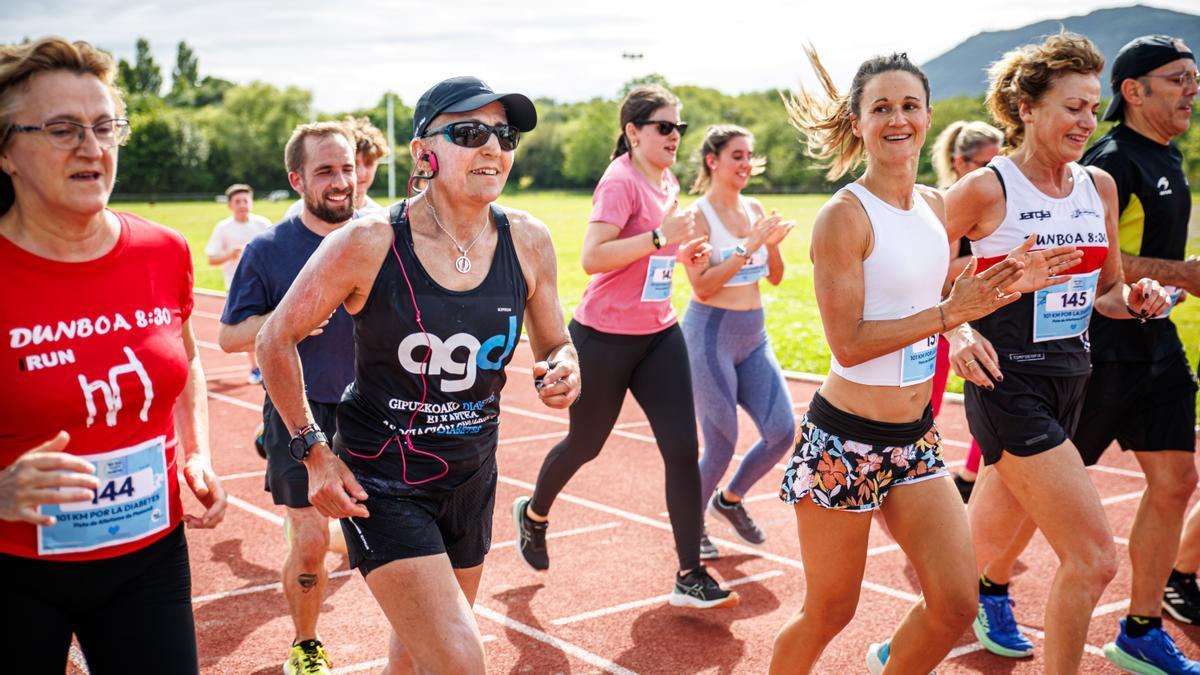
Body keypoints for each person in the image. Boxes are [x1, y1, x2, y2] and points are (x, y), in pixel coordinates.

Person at [257, 75, 580, 674]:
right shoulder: (370, 240)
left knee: (414, 657)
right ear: (423, 152)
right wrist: (313, 452)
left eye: (505, 136)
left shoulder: (529, 240)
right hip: (382, 480)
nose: (493, 149)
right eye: (469, 133)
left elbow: (556, 341)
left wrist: (565, 367)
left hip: (472, 475)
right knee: (460, 660)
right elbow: (273, 336)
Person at [768, 47, 1059, 675]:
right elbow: (849, 343)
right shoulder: (842, 217)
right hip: (844, 442)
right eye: (881, 108)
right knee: (830, 611)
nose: (896, 118)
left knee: (955, 605)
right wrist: (951, 318)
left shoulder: (933, 206)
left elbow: (932, 293)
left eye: (908, 106)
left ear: (928, 116)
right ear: (858, 123)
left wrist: (1008, 279)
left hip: (914, 440)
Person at [945, 32, 1171, 674]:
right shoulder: (988, 190)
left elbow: (1107, 293)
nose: (1086, 119)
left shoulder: (1097, 186)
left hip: (1072, 380)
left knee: (966, 566)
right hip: (1006, 383)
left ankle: (893, 654)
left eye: (1092, 106)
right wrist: (958, 328)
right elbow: (917, 269)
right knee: (1095, 557)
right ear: (1026, 108)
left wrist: (1141, 296)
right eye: (1072, 106)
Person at [0, 37, 226, 674]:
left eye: (104, 127)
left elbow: (185, 362)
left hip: (149, 556)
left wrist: (199, 451)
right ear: (7, 152)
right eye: (62, 129)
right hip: (13, 568)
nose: (92, 147)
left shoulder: (163, 250)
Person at [511, 84, 738, 609]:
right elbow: (593, 257)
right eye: (664, 126)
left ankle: (689, 573)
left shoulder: (668, 180)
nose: (674, 135)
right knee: (585, 445)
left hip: (659, 332)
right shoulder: (619, 181)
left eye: (679, 127)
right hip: (604, 335)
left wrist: (684, 250)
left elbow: (658, 253)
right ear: (633, 132)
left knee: (683, 451)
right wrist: (661, 237)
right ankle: (535, 511)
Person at [1071, 35, 1199, 674]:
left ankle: (1141, 628)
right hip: (1099, 349)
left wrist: (1175, 283)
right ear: (1134, 90)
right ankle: (988, 585)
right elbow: (1096, 262)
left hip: (1156, 344)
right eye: (1178, 78)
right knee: (1044, 489)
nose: (1192, 89)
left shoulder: (1167, 159)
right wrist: (1187, 273)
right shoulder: (1112, 161)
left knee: (1178, 480)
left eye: (1194, 78)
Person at [217, 121, 358, 675]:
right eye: (325, 170)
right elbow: (229, 336)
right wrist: (284, 324)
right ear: (297, 178)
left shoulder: (377, 238)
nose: (340, 181)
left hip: (373, 410)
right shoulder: (268, 249)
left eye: (346, 168)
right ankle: (306, 643)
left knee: (390, 531)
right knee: (308, 542)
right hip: (296, 412)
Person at [679, 124, 795, 559]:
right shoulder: (697, 217)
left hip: (754, 334)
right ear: (713, 161)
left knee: (783, 432)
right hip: (710, 335)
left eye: (750, 156)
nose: (747, 164)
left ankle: (729, 500)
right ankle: (689, 527)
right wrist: (748, 246)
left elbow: (777, 276)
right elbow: (703, 286)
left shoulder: (755, 207)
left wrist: (774, 244)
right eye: (738, 156)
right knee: (722, 442)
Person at [929, 120, 1002, 501]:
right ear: (961, 163)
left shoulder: (1001, 201)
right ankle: (901, 474)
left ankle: (971, 477)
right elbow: (939, 274)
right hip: (944, 319)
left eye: (1000, 161)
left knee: (993, 397)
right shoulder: (948, 204)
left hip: (989, 317)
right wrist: (993, 259)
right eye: (986, 164)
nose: (995, 172)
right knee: (929, 406)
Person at [205, 183, 271, 384]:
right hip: (238, 287)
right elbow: (211, 258)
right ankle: (255, 368)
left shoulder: (263, 224)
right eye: (237, 201)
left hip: (265, 284)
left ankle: (270, 365)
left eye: (245, 200)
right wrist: (230, 254)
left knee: (270, 326)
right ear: (230, 205)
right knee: (246, 327)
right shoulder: (223, 228)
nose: (242, 205)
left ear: (251, 202)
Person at [284, 115, 388, 219]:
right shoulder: (298, 213)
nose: (361, 173)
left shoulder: (380, 217)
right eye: (354, 165)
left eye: (369, 163)